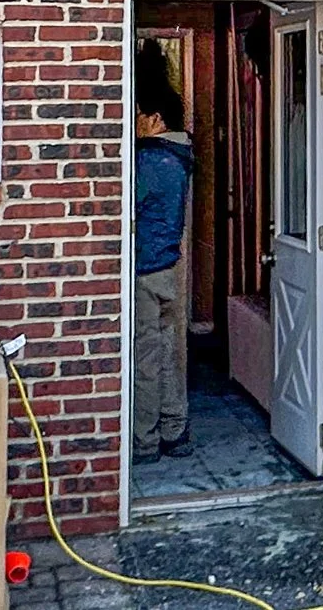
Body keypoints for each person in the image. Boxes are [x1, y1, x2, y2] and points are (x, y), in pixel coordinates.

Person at [134, 93, 196, 464]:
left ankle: (145, 439)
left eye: (139, 114)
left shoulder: (148, 159)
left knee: (146, 356)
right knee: (172, 352)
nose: (135, 122)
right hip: (172, 265)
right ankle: (176, 429)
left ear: (156, 118)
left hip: (145, 267)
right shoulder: (180, 156)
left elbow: (124, 207)